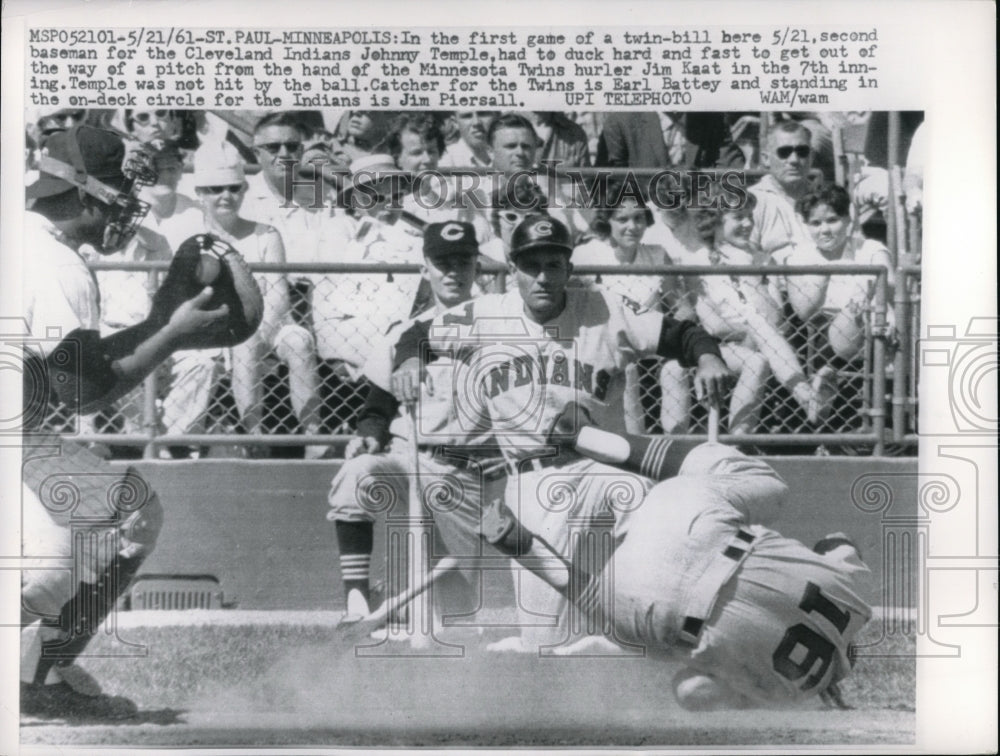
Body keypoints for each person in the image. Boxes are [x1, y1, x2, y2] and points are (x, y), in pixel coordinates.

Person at [389, 215, 732, 651]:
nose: (543, 276)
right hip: (533, 486)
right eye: (531, 266)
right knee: (546, 645)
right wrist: (410, 361)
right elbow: (417, 334)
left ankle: (690, 624)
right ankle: (536, 652)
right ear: (512, 270)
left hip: (602, 467)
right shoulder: (485, 316)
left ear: (569, 268)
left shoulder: (604, 308)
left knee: (650, 505)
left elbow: (682, 334)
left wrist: (707, 358)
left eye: (554, 264)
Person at [20, 125, 228, 719]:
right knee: (113, 526)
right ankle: (42, 677)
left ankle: (40, 674)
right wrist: (171, 330)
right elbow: (83, 390)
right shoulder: (55, 263)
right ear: (81, 190)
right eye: (116, 188)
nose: (125, 205)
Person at [484, 418, 872, 710]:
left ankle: (584, 435)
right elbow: (689, 693)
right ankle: (522, 547)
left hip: (694, 527)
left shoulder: (853, 596)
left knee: (764, 482)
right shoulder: (783, 693)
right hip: (651, 607)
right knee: (617, 616)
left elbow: (839, 541)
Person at [327, 221, 504, 629]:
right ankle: (356, 602)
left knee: (455, 613)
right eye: (442, 262)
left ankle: (403, 602)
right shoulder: (404, 332)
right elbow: (378, 403)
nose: (453, 272)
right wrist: (369, 434)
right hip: (409, 462)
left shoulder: (504, 326)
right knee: (357, 475)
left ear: (477, 265)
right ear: (425, 267)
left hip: (469, 473)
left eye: (463, 261)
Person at [190, 141, 322, 456]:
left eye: (234, 188)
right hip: (212, 330)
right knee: (245, 342)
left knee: (300, 341)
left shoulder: (266, 234)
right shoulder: (190, 239)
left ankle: (315, 436)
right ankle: (255, 435)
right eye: (214, 189)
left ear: (244, 189)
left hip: (269, 325)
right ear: (200, 194)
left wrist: (253, 326)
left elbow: (278, 298)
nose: (225, 196)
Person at [690, 188, 839, 430]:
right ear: (716, 220)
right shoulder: (697, 261)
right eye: (739, 217)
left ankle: (741, 438)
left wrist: (751, 275)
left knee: (760, 345)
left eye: (751, 216)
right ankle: (806, 396)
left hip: (763, 345)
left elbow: (776, 317)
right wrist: (751, 328)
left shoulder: (761, 260)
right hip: (717, 347)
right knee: (759, 326)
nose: (748, 224)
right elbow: (712, 325)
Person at [571, 191, 694, 434]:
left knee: (676, 369)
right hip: (609, 346)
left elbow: (681, 306)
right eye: (623, 219)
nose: (633, 227)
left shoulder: (657, 254)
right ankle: (635, 447)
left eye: (638, 219)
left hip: (652, 343)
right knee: (626, 367)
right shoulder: (588, 254)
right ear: (607, 221)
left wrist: (679, 336)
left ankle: (676, 444)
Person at [790, 183, 895, 363]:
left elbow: (890, 287)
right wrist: (825, 272)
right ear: (806, 225)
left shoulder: (870, 249)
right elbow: (804, 312)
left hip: (878, 320)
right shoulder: (800, 256)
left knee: (873, 290)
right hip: (825, 333)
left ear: (848, 219)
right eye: (815, 223)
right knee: (863, 288)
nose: (824, 230)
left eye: (832, 220)